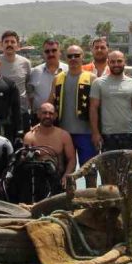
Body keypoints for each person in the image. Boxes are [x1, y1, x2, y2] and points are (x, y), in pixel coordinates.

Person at [49, 45, 97, 185]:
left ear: (83, 57)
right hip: (64, 134)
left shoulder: (92, 78)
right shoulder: (58, 78)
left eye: (77, 55)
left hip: (86, 133)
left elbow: (96, 108)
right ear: (65, 58)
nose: (73, 59)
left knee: (90, 171)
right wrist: (39, 123)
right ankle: (68, 202)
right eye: (70, 56)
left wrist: (96, 132)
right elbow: (50, 102)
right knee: (65, 172)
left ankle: (91, 200)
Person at [90, 50, 132, 152]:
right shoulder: (98, 83)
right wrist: (95, 133)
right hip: (107, 135)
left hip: (129, 133)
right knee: (109, 168)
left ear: (124, 62)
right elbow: (93, 109)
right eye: (113, 62)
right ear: (108, 62)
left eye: (119, 61)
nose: (116, 64)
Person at [22, 102, 77, 188]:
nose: (47, 116)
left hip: (59, 179)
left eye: (50, 113)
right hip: (37, 181)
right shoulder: (30, 136)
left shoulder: (64, 135)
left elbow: (72, 160)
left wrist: (66, 176)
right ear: (38, 115)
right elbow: (24, 160)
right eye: (44, 113)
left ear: (55, 116)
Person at [0, 30, 32, 125]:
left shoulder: (26, 63)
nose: (9, 44)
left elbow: (29, 88)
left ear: (17, 45)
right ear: (2, 45)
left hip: (21, 113)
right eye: (6, 41)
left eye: (12, 42)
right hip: (1, 115)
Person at [28, 39, 64, 123]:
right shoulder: (35, 72)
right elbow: (30, 96)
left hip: (62, 119)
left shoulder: (67, 71)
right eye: (47, 51)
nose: (50, 54)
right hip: (40, 119)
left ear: (60, 52)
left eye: (54, 50)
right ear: (43, 54)